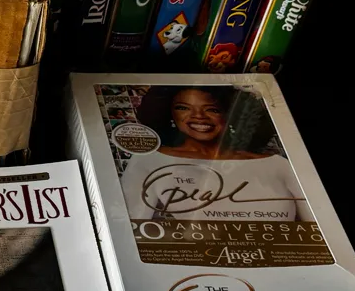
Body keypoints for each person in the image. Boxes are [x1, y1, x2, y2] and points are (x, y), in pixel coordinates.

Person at [117, 85, 312, 222]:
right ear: (170, 115)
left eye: (212, 109)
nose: (198, 116)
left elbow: (318, 230)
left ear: (230, 115)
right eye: (183, 108)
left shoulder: (277, 165)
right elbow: (130, 226)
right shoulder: (150, 159)